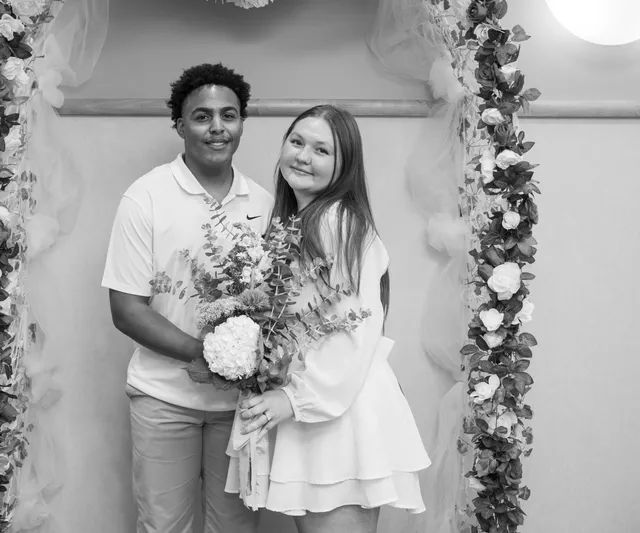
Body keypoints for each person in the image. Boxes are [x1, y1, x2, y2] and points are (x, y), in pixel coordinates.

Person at [233, 105, 431, 532]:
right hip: (319, 405)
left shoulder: (336, 222)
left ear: (345, 164)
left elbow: (353, 328)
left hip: (338, 408)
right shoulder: (300, 221)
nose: (303, 156)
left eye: (322, 150)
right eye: (297, 142)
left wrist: (294, 399)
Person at [101, 63, 273, 533]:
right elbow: (126, 310)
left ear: (242, 123)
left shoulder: (264, 203)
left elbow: (277, 305)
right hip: (163, 398)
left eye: (229, 115)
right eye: (202, 116)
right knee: (164, 527)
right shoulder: (145, 197)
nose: (217, 127)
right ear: (179, 125)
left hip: (241, 406)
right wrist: (210, 355)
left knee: (236, 528)